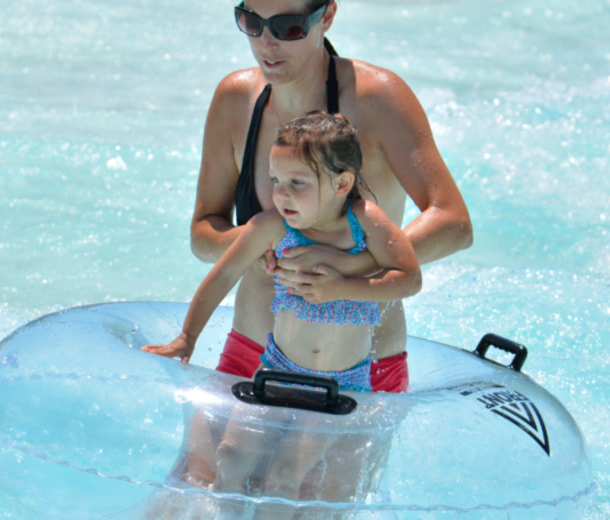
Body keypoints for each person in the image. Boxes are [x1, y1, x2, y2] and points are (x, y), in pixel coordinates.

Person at [189, 0, 472, 394]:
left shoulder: (377, 98)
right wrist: (266, 244)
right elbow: (204, 236)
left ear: (327, 16)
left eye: (288, 27)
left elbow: (454, 223)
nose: (266, 43)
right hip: (253, 350)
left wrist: (349, 264)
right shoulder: (235, 99)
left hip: (360, 368)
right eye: (251, 22)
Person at [144, 111, 421, 507]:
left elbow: (410, 278)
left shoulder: (366, 223)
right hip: (275, 370)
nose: (282, 194)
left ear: (343, 183)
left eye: (297, 183)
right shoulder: (272, 227)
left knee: (287, 474)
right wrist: (186, 338)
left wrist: (343, 286)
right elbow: (222, 277)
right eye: (276, 181)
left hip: (339, 385)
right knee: (232, 457)